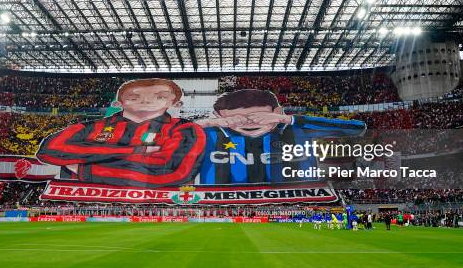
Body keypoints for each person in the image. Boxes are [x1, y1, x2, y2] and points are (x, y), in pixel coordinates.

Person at [37, 79, 206, 188]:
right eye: (134, 97)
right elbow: (49, 151)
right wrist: (136, 152)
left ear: (175, 103)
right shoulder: (88, 127)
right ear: (118, 103)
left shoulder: (186, 129)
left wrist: (84, 167)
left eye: (160, 97)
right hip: (82, 198)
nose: (146, 101)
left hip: (158, 201)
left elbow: (170, 170)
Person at [195, 89, 366, 185]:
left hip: (300, 199)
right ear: (219, 116)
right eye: (238, 118)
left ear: (276, 111)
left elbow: (356, 128)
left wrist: (288, 119)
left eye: (258, 116)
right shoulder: (207, 134)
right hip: (220, 202)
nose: (249, 123)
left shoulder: (297, 129)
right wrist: (207, 123)